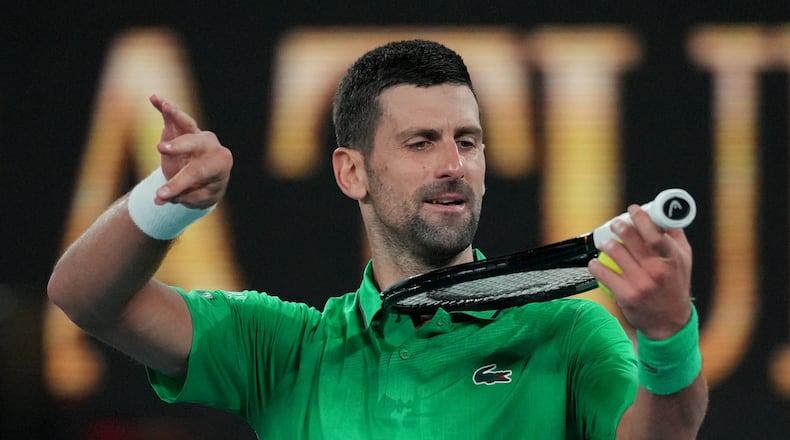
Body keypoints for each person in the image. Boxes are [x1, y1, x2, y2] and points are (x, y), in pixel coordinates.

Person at [48, 39, 707, 439]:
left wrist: (668, 335)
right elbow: (83, 296)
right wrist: (163, 204)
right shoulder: (285, 352)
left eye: (468, 141)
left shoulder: (567, 335)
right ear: (351, 171)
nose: (454, 164)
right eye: (421, 142)